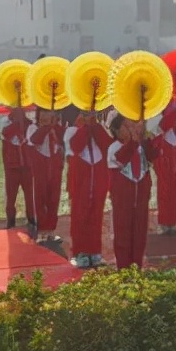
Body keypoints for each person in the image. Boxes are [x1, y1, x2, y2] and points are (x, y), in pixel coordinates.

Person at [107, 114, 158, 270]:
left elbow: (154, 155)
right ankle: (123, 267)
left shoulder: (141, 145)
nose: (132, 130)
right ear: (116, 130)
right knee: (123, 231)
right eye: (127, 127)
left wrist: (146, 137)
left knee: (140, 232)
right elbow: (122, 157)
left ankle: (137, 265)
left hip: (141, 196)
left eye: (134, 125)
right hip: (123, 197)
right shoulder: (114, 147)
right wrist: (134, 142)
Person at [65, 110, 113, 268]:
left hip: (98, 181)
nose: (90, 117)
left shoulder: (99, 129)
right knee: (80, 217)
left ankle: (95, 251)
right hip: (80, 183)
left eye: (92, 114)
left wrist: (95, 127)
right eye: (86, 114)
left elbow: (108, 144)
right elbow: (76, 146)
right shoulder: (72, 131)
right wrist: (86, 127)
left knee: (97, 217)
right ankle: (80, 252)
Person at [151, 98, 176, 235]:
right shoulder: (161, 109)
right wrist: (173, 112)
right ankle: (164, 220)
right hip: (165, 152)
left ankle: (173, 220)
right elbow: (161, 127)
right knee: (165, 189)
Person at [27, 108, 66, 243]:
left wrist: (55, 126)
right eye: (43, 113)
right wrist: (47, 126)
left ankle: (51, 230)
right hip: (40, 167)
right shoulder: (33, 128)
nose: (46, 116)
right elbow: (35, 139)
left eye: (49, 113)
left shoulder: (56, 128)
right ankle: (41, 230)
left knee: (54, 199)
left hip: (54, 166)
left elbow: (64, 139)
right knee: (39, 198)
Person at [0, 108, 33, 232]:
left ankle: (31, 219)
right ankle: (11, 221)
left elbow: (31, 135)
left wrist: (23, 122)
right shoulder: (4, 122)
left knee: (30, 196)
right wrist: (17, 122)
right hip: (12, 167)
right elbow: (6, 133)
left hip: (27, 167)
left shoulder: (29, 124)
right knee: (11, 196)